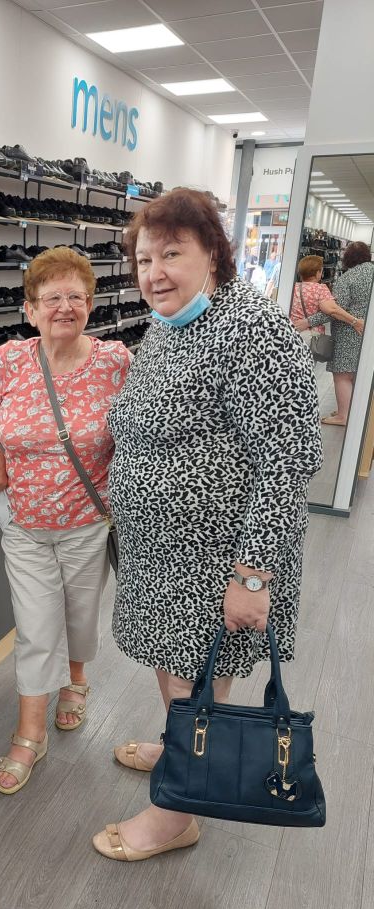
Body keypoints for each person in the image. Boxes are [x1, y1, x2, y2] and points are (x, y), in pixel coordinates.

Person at [92, 188, 323, 862]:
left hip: (215, 558)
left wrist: (252, 576)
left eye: (171, 254)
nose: (154, 272)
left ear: (213, 255)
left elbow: (288, 458)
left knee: (196, 677)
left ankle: (177, 812)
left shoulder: (249, 329)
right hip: (161, 555)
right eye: (144, 259)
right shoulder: (170, 324)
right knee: (176, 671)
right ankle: (178, 745)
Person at [0, 247, 130, 794]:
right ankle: (30, 732)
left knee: (80, 616)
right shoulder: (8, 361)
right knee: (35, 626)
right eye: (51, 298)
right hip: (24, 525)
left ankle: (76, 680)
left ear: (91, 305)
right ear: (30, 310)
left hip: (89, 521)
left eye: (76, 296)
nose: (64, 307)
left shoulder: (116, 362)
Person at [299, 242, 372, 427]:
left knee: (342, 375)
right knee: (360, 373)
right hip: (369, 330)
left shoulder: (348, 278)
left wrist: (308, 321)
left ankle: (343, 415)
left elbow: (334, 310)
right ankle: (353, 411)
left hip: (349, 332)